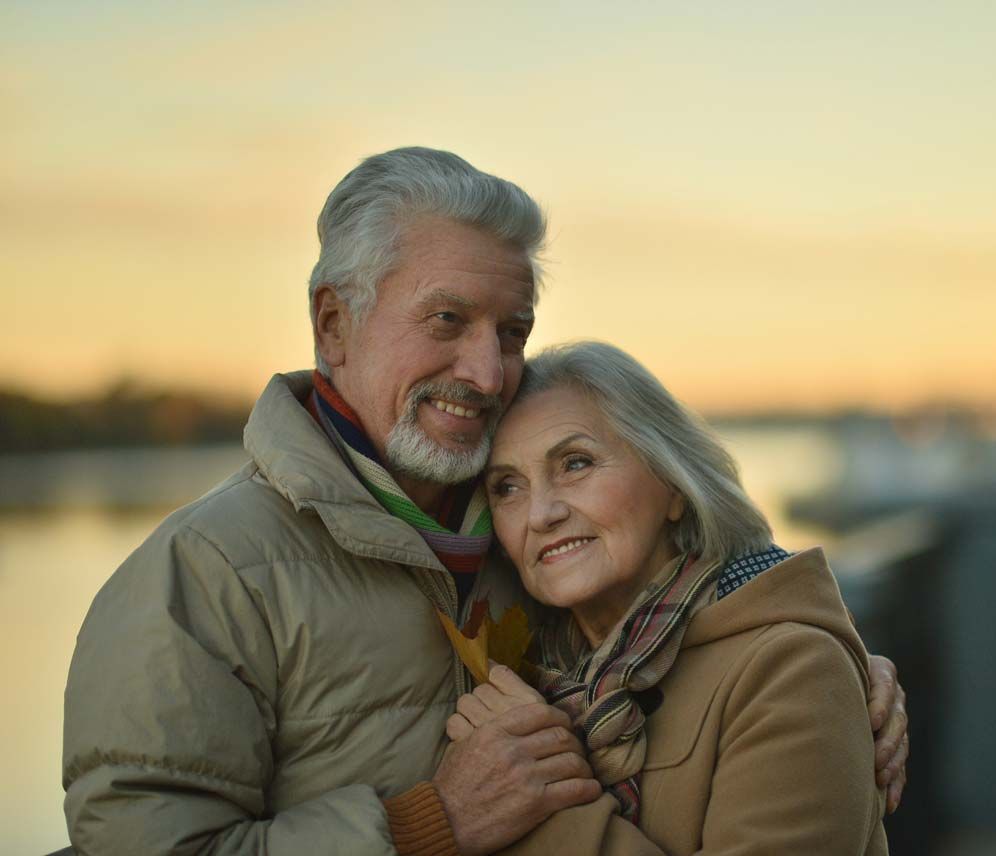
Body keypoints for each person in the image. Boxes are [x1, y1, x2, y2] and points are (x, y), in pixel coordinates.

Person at [62, 148, 907, 855]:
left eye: (511, 332)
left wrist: (829, 671)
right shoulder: (207, 575)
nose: (488, 372)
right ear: (333, 326)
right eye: (447, 319)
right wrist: (431, 825)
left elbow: (697, 628)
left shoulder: (525, 545)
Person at [447, 340, 890, 854]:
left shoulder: (791, 667)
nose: (540, 513)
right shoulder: (519, 678)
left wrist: (544, 800)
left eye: (575, 463)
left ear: (674, 486)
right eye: (506, 487)